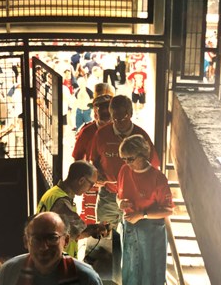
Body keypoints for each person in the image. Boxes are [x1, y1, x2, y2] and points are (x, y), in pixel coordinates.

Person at [116, 135, 173, 285]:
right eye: (124, 159)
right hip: (131, 230)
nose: (126, 163)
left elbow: (167, 209)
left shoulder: (158, 178)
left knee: (151, 273)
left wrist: (143, 215)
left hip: (152, 233)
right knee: (130, 272)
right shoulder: (124, 171)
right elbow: (119, 195)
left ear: (143, 155)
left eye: (130, 159)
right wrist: (121, 203)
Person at [91, 94, 160, 228]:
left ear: (130, 114)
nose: (119, 122)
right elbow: (93, 160)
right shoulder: (101, 134)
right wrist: (96, 175)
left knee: (132, 238)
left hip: (134, 198)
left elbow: (153, 166)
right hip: (108, 196)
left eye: (123, 118)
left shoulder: (141, 136)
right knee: (105, 237)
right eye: (115, 118)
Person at [37, 160, 108, 257]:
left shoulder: (53, 193)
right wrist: (96, 228)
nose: (91, 188)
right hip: (56, 260)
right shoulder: (62, 201)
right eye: (91, 184)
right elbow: (79, 232)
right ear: (81, 180)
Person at [72, 83, 115, 224]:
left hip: (117, 186)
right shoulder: (86, 131)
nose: (103, 112)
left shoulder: (121, 131)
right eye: (99, 107)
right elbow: (77, 160)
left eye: (107, 107)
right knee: (93, 224)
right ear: (94, 110)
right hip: (92, 185)